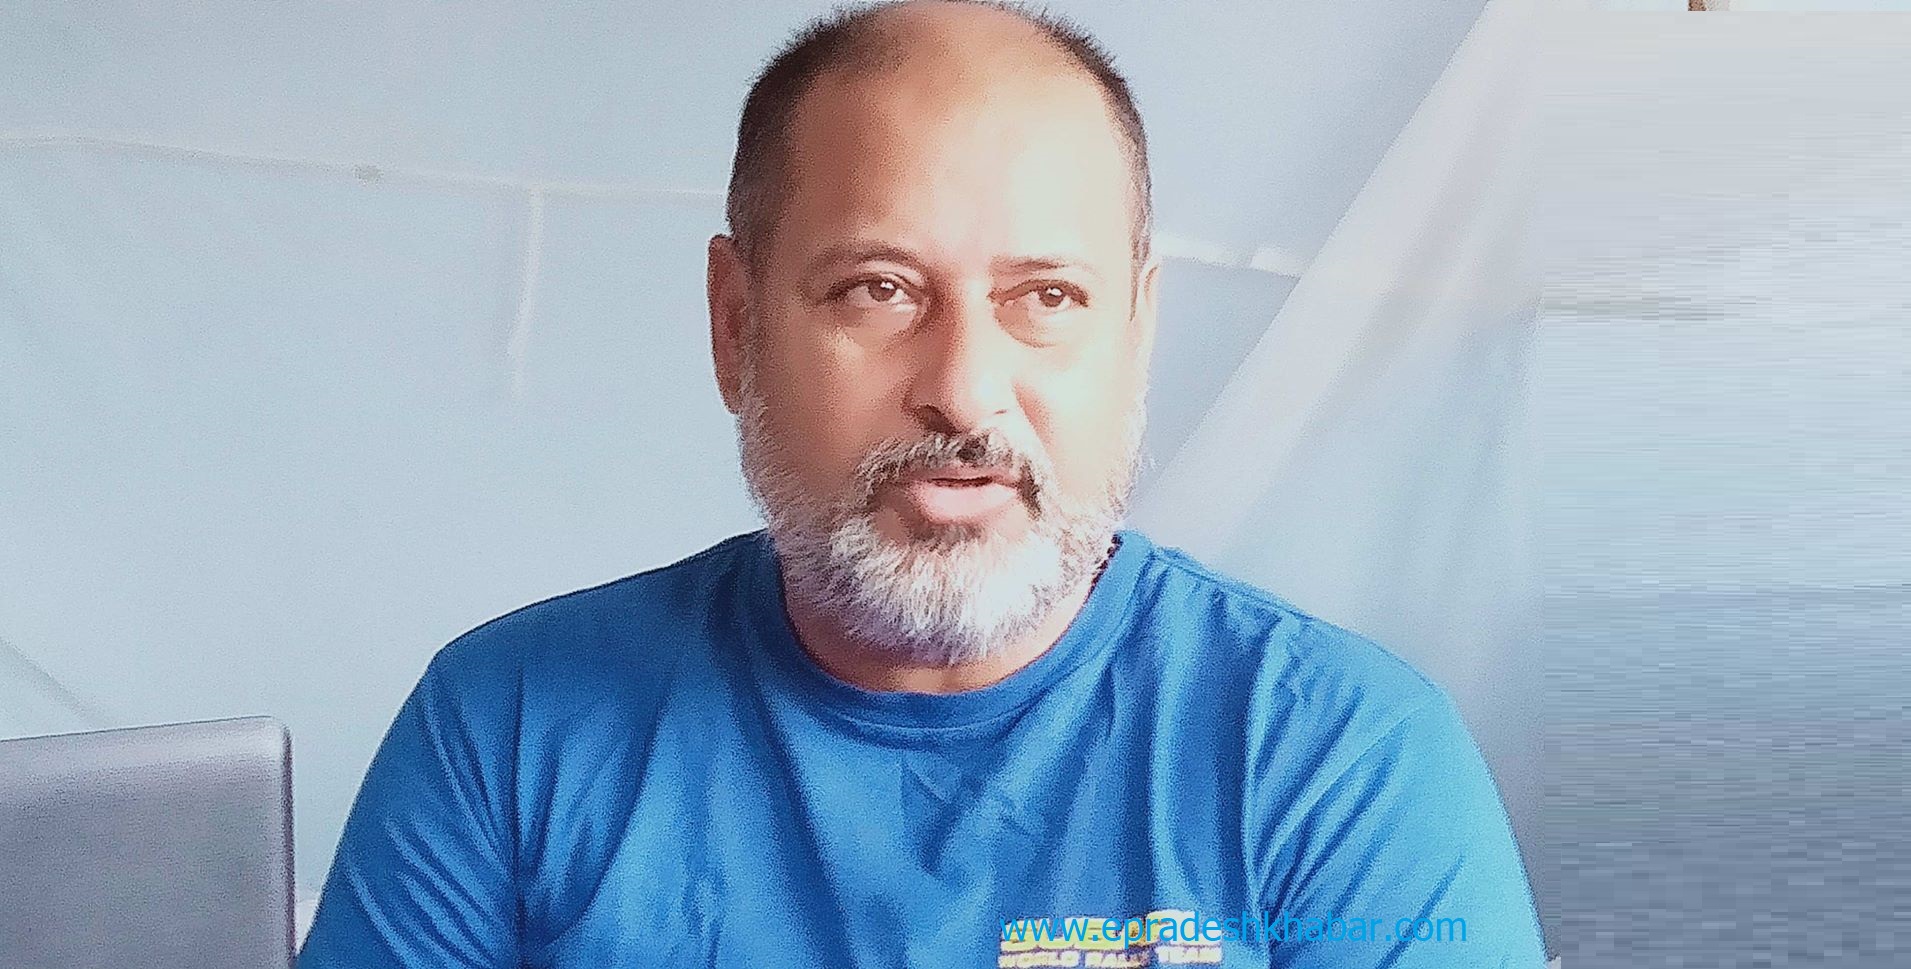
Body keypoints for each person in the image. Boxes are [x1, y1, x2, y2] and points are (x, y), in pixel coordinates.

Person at [296, 2, 1547, 966]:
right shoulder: (511, 725)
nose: (964, 390)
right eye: (878, 290)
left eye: (1045, 297)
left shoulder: (1342, 759)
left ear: (1136, 334)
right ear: (735, 325)